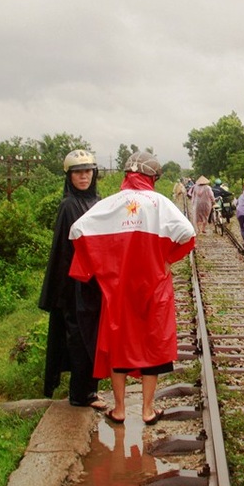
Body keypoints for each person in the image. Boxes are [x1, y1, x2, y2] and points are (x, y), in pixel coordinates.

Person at [69, 152, 196, 426]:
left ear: (127, 174)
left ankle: (119, 409)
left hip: (118, 288)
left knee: (119, 345)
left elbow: (78, 230)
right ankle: (148, 410)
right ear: (152, 177)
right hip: (154, 286)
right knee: (152, 344)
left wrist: (98, 265)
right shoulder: (160, 203)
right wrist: (166, 257)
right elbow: (188, 233)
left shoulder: (109, 204)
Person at [38, 149, 106, 409]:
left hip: (94, 283)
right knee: (78, 339)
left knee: (94, 337)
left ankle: (90, 390)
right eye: (78, 172)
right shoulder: (68, 205)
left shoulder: (97, 201)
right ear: (69, 176)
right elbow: (64, 251)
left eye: (88, 171)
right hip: (75, 285)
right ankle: (80, 395)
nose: (84, 176)